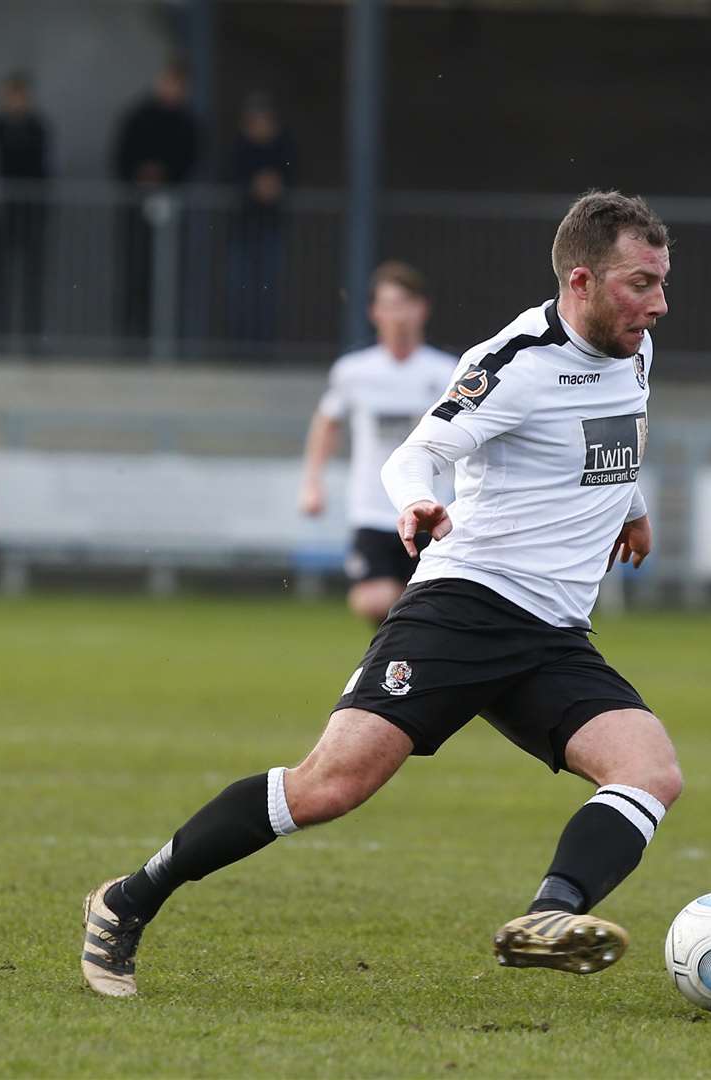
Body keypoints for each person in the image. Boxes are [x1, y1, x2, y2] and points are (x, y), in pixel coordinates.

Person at [80, 190, 680, 997]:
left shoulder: (632, 348)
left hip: (553, 634)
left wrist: (632, 511)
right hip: (465, 606)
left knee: (649, 771)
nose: (659, 304)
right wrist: (415, 502)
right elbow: (416, 452)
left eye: (661, 282)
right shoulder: (515, 362)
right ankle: (126, 900)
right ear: (581, 281)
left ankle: (549, 916)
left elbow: (616, 432)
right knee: (329, 785)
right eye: (641, 283)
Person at [298, 261, 459, 624]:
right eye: (388, 305)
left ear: (422, 309)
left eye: (405, 303)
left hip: (429, 510)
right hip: (372, 509)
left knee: (431, 608)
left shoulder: (447, 371)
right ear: (374, 313)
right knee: (376, 602)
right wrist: (312, 483)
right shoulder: (354, 371)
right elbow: (327, 422)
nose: (397, 315)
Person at [111, 61, 200, 341]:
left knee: (169, 278)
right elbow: (121, 156)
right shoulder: (138, 116)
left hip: (172, 209)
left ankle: (165, 342)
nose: (172, 89)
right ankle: (132, 339)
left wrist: (166, 176)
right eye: (168, 82)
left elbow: (192, 159)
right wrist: (141, 175)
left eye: (178, 85)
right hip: (137, 207)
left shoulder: (188, 121)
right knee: (135, 274)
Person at [0, 71, 51, 348]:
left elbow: (43, 169)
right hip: (1, 212)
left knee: (32, 279)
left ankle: (31, 340)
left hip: (30, 213)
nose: (16, 101)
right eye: (11, 96)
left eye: (20, 96)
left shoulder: (38, 127)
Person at [227, 92, 294, 344]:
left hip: (271, 227)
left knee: (268, 290)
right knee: (240, 290)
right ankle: (239, 344)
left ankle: (263, 344)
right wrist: (252, 186)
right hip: (242, 228)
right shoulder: (239, 146)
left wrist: (274, 185)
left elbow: (291, 171)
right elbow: (229, 175)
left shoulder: (283, 144)